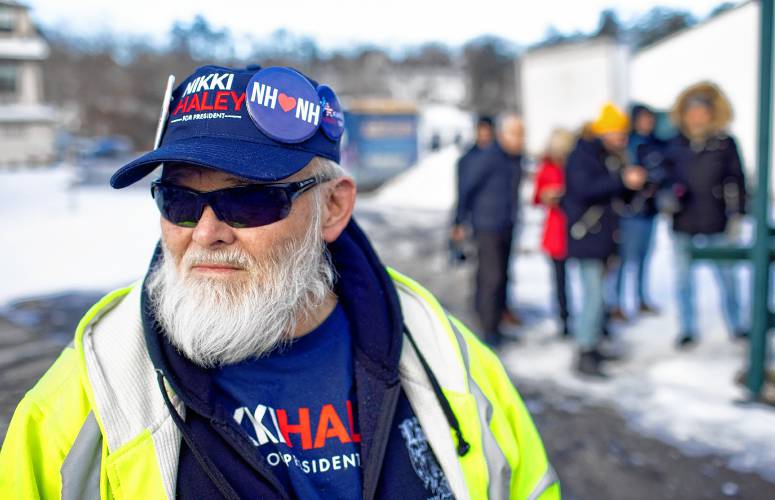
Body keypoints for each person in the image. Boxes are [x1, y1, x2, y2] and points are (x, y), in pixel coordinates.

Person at [0, 65, 559, 500]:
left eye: (248, 200)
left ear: (333, 209)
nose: (207, 232)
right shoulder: (84, 396)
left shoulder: (448, 358)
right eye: (180, 201)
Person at [563, 104, 647, 377]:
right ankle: (584, 349)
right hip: (587, 237)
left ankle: (593, 343)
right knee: (594, 296)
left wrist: (634, 187)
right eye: (619, 133)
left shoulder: (608, 156)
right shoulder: (583, 155)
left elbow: (615, 197)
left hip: (602, 238)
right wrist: (621, 179)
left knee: (600, 295)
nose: (623, 139)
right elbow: (586, 189)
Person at [663, 81, 747, 349]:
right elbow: (663, 177)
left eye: (702, 110)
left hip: (716, 221)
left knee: (727, 277)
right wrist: (666, 197)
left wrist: (737, 215)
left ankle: (736, 324)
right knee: (683, 279)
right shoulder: (676, 144)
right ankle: (688, 328)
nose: (697, 116)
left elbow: (738, 181)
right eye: (692, 111)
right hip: (684, 221)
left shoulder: (724, 144)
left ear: (710, 113)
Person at [452, 114, 525, 346]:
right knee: (490, 277)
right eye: (515, 134)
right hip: (486, 225)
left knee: (503, 274)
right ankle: (487, 329)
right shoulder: (488, 157)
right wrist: (458, 221)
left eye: (522, 134)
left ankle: (498, 322)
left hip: (506, 223)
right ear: (503, 134)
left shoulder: (514, 158)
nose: (520, 140)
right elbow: (467, 189)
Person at [610, 104, 664, 320]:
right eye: (643, 119)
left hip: (649, 211)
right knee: (624, 259)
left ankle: (641, 298)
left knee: (643, 258)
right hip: (631, 211)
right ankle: (616, 303)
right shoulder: (629, 145)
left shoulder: (656, 144)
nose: (647, 123)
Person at [532, 128, 575, 338]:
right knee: (560, 279)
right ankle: (564, 318)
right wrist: (546, 195)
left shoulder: (575, 166)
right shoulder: (546, 168)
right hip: (556, 231)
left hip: (576, 228)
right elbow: (536, 197)